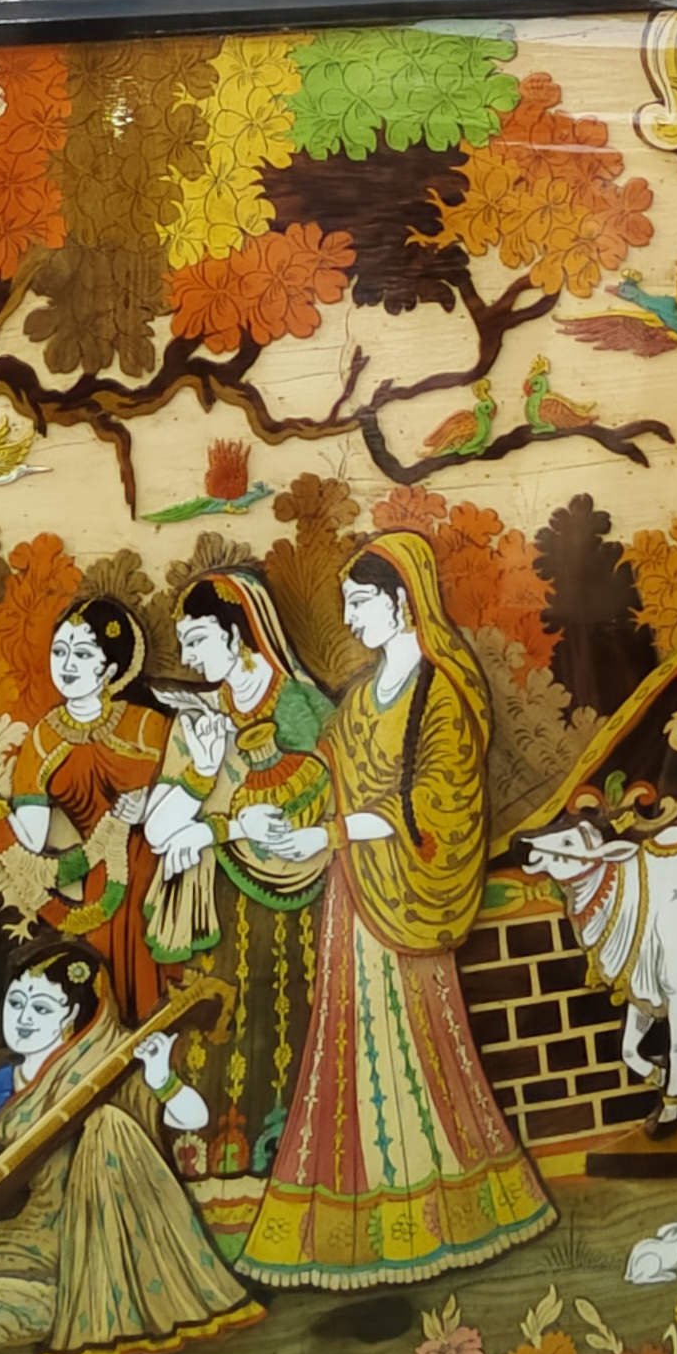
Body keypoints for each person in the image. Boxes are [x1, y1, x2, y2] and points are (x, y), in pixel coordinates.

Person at [240, 533, 552, 1288]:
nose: (350, 618)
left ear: (403, 600)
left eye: (360, 602)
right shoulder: (365, 693)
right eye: (347, 603)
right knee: (347, 1044)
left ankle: (448, 1204)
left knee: (417, 1046)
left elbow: (439, 802)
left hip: (408, 895)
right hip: (354, 895)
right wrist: (267, 797)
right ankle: (357, 1214)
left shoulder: (441, 692)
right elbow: (328, 768)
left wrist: (332, 832)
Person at [0, 950, 260, 1354]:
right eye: (15, 1002)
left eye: (41, 1008)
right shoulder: (5, 1085)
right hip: (43, 1232)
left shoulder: (110, 1061)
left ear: (70, 1015)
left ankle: (105, 1303)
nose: (23, 1018)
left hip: (125, 1230)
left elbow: (193, 1119)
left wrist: (161, 1079)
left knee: (108, 1124)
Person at [141, 568, 332, 1184]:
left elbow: (310, 806)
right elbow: (159, 829)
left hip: (301, 900)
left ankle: (293, 1151)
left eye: (198, 639)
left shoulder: (300, 706)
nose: (189, 658)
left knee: (290, 1016)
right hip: (222, 898)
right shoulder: (201, 715)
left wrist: (208, 829)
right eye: (183, 644)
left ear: (239, 634)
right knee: (222, 1018)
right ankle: (220, 1149)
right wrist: (201, 773)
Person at [0, 596, 165, 1020]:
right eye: (60, 651)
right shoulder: (45, 737)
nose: (68, 664)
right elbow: (31, 839)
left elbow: (189, 790)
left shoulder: (145, 724)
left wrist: (151, 807)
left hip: (163, 865)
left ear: (110, 668)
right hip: (100, 878)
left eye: (83, 654)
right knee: (109, 983)